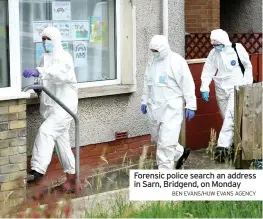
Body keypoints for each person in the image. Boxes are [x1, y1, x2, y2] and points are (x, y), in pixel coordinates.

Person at [22, 27, 79, 192]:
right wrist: (38, 86)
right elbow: (43, 77)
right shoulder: (44, 58)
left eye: (48, 39)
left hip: (64, 106)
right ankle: (72, 181)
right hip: (51, 106)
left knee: (46, 132)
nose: (45, 42)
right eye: (43, 39)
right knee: (63, 144)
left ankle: (37, 170)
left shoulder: (64, 57)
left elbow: (60, 76)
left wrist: (40, 71)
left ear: (56, 40)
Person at [141, 35, 197, 170]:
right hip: (154, 107)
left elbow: (187, 84)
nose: (154, 54)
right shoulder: (152, 62)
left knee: (165, 145)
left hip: (172, 108)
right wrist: (144, 100)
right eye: (152, 51)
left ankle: (165, 177)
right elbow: (147, 82)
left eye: (156, 51)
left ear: (164, 49)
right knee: (158, 140)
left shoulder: (177, 61)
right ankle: (180, 152)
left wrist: (191, 104)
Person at [200, 29, 253, 163]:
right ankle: (235, 146)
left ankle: (222, 147)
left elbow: (248, 66)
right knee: (227, 119)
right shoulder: (214, 53)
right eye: (213, 44)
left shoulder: (237, 49)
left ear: (224, 41)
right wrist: (204, 87)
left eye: (218, 44)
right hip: (220, 88)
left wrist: (246, 84)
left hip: (236, 86)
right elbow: (208, 70)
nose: (216, 46)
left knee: (230, 117)